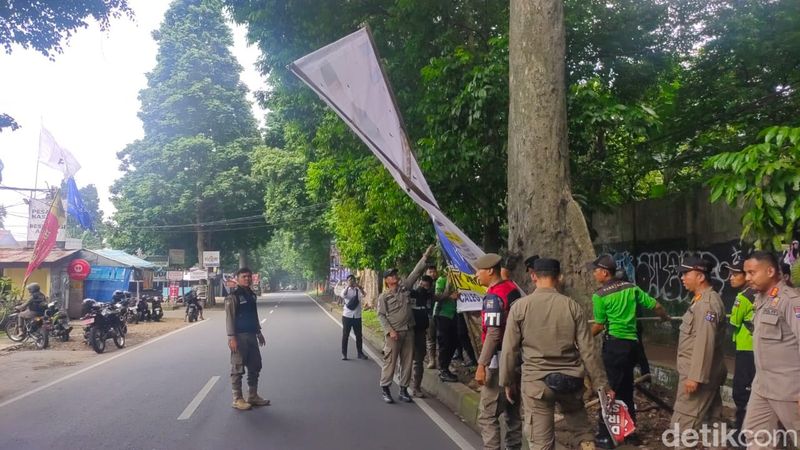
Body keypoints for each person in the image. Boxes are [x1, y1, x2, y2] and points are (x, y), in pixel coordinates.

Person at [501, 258, 611, 450]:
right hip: (571, 381)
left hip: (537, 385)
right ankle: (587, 443)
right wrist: (602, 385)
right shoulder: (572, 306)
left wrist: (508, 382)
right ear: (559, 277)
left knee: (541, 441)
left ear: (533, 276)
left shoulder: (520, 307)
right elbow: (588, 351)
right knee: (581, 429)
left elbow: (509, 350)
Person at [587, 254, 669, 448]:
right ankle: (630, 432)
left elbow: (599, 325)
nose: (594, 274)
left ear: (605, 273)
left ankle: (605, 435)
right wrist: (664, 317)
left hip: (614, 347)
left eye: (595, 271)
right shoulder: (631, 288)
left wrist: (584, 337)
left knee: (610, 391)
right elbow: (656, 305)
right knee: (626, 389)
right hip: (632, 346)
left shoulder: (600, 295)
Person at [741, 251, 800, 449]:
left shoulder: (790, 300)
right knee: (755, 436)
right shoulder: (761, 299)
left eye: (752, 272)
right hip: (763, 386)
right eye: (745, 273)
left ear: (770, 270)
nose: (747, 278)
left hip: (789, 389)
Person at [671, 256, 727, 448]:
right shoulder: (701, 301)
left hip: (698, 377)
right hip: (706, 374)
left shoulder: (706, 304)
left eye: (686, 273)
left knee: (682, 426)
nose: (682, 277)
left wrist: (695, 377)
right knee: (712, 424)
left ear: (700, 276)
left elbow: (705, 342)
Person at [473, 253, 523, 450]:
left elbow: (493, 334)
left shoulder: (494, 297)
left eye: (479, 271)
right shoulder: (512, 289)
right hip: (517, 357)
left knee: (487, 414)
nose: (477, 275)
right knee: (512, 412)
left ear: (490, 271)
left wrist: (481, 364)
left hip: (498, 360)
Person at [376, 245, 433, 404]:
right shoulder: (383, 297)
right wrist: (389, 331)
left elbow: (415, 273)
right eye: (392, 275)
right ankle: (385, 388)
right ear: (387, 280)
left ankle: (403, 389)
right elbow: (380, 315)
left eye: (395, 274)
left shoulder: (405, 288)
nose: (395, 276)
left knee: (408, 362)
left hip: (409, 331)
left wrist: (425, 258)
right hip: (394, 334)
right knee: (390, 362)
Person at [225, 267, 269, 411]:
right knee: (238, 368)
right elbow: (230, 318)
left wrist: (258, 332)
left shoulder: (251, 295)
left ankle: (253, 395)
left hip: (251, 335)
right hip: (239, 337)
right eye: (244, 276)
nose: (247, 279)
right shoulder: (234, 297)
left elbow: (253, 315)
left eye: (249, 276)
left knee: (255, 365)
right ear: (237, 278)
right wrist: (232, 337)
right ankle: (237, 398)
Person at [727, 261, 756, 443]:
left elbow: (734, 322)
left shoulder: (743, 298)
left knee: (742, 393)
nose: (730, 278)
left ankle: (741, 436)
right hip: (759, 350)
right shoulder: (760, 294)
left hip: (746, 350)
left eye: (734, 274)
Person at [410, 275, 434, 397]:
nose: (422, 288)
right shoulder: (410, 293)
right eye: (421, 284)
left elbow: (441, 297)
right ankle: (403, 384)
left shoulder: (429, 296)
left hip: (421, 332)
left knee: (418, 361)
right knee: (406, 359)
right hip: (408, 331)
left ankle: (416, 387)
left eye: (425, 286)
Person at [434, 271, 460, 382]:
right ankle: (443, 370)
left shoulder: (459, 281)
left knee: (454, 343)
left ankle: (446, 367)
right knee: (445, 344)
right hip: (443, 315)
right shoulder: (442, 280)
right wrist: (449, 295)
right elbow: (436, 296)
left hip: (455, 314)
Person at [341, 274, 367, 361]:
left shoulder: (358, 290)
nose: (351, 281)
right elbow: (343, 295)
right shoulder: (345, 289)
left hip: (357, 316)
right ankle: (344, 354)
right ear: (347, 281)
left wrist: (359, 287)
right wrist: (348, 286)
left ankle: (360, 353)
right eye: (349, 280)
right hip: (347, 315)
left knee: (359, 336)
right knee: (345, 335)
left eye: (352, 279)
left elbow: (364, 295)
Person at [424, 264, 439, 369]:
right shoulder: (423, 284)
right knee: (430, 338)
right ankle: (432, 359)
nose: (432, 274)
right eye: (430, 272)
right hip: (429, 315)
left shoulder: (440, 282)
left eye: (434, 271)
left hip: (441, 313)